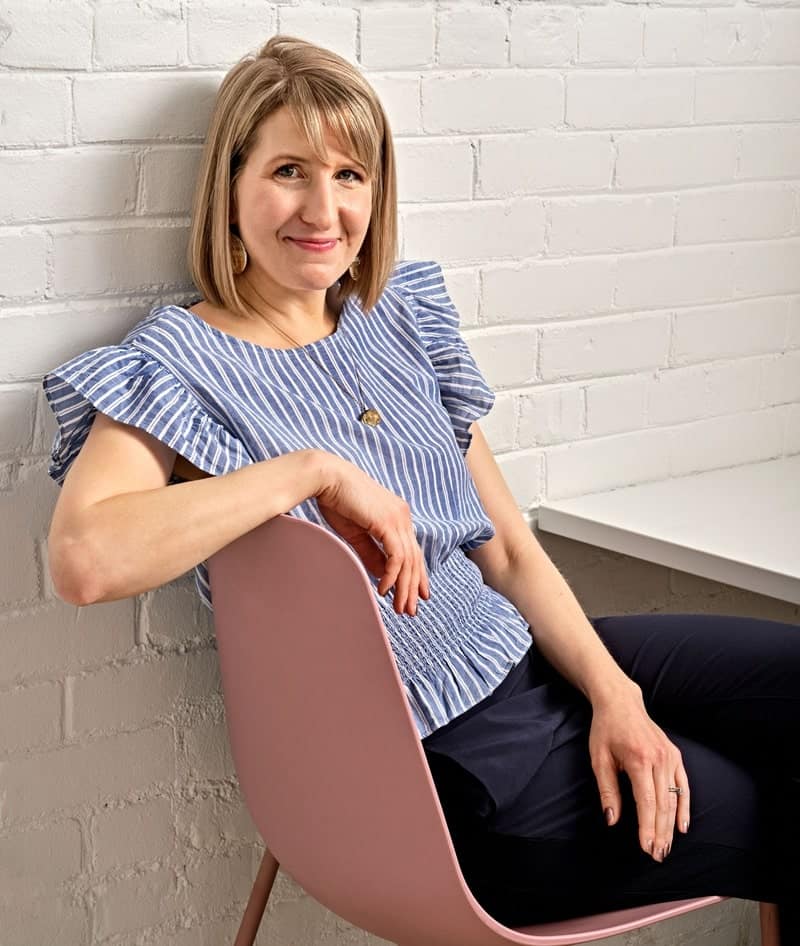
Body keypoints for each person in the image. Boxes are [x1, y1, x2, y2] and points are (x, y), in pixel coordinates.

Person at [43, 35, 798, 944]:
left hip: (528, 668)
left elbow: (509, 552)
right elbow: (85, 559)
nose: (324, 209)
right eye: (289, 170)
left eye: (351, 176)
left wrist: (616, 696)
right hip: (451, 773)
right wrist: (313, 471)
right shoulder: (179, 364)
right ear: (230, 186)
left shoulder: (397, 314)